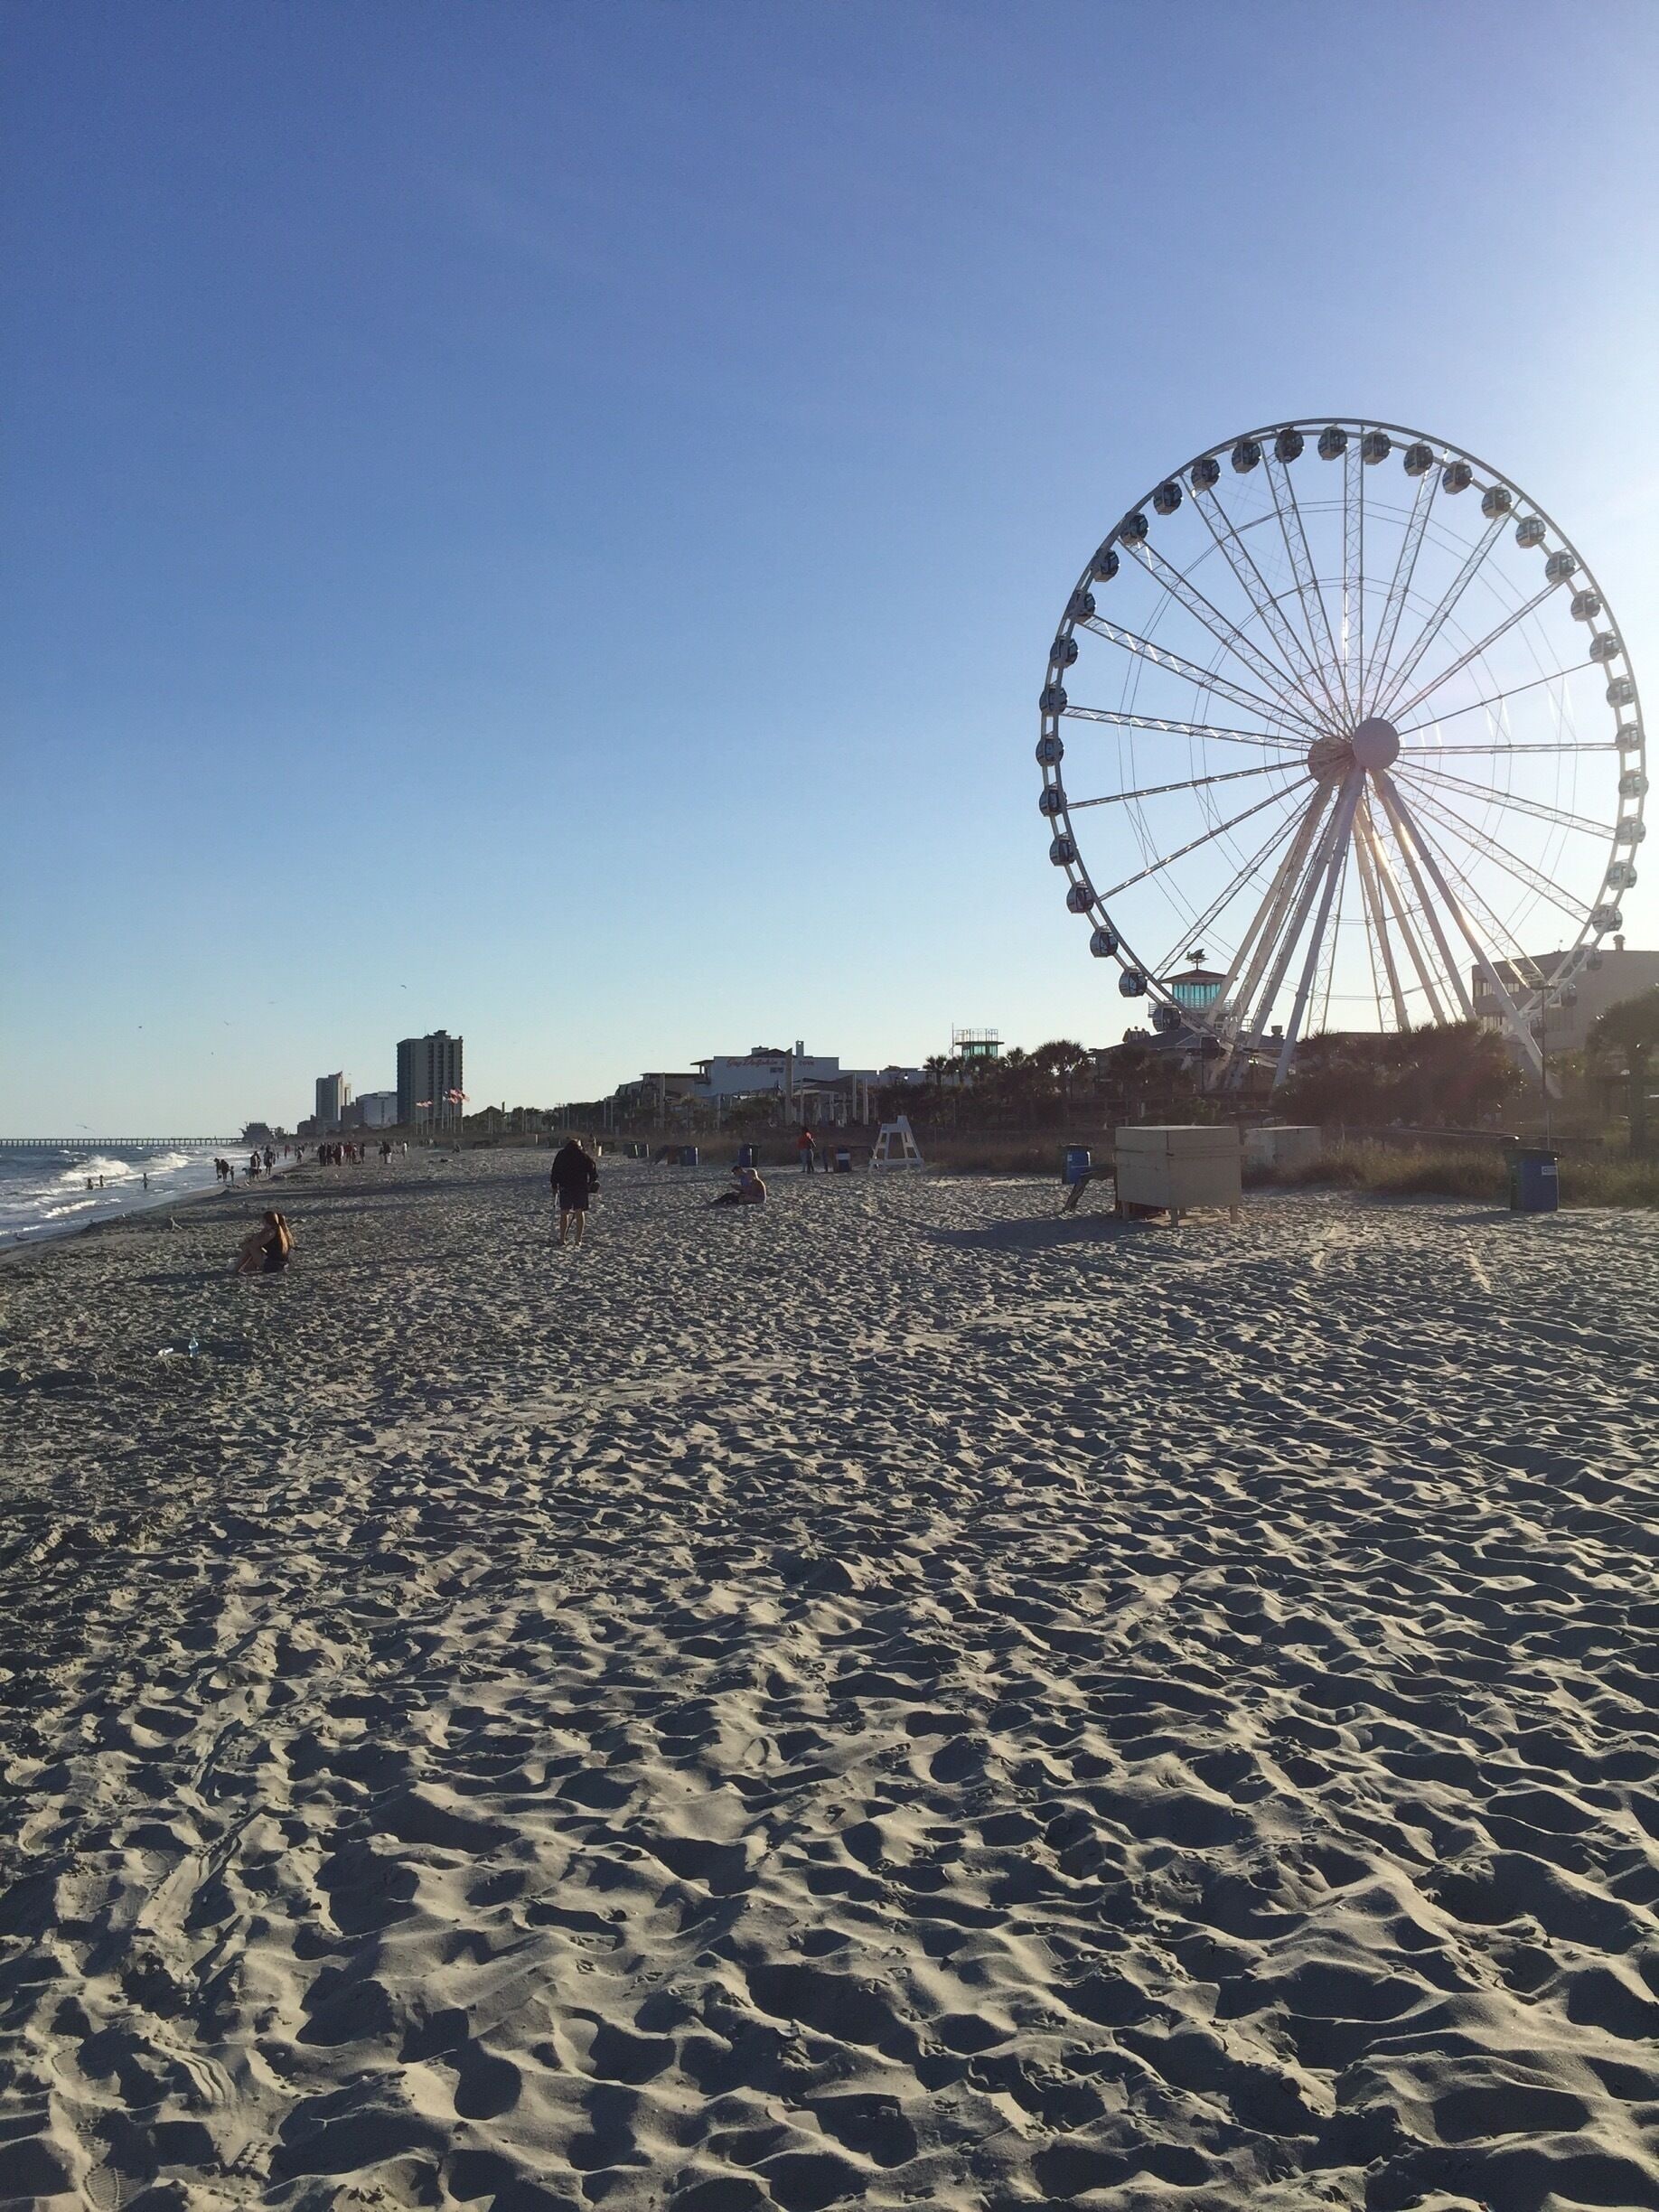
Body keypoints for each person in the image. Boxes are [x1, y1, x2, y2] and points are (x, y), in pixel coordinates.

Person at [549, 1135, 600, 1246]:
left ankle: (562, 1239)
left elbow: (555, 1171)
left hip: (565, 1187)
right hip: (580, 1188)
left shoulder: (561, 1155)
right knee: (579, 1212)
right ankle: (578, 1239)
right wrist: (590, 1183)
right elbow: (593, 1170)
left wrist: (554, 1185)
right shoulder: (583, 1155)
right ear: (578, 1145)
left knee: (564, 1213)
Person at [235, 1210, 293, 1275]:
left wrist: (250, 1239)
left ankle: (236, 1269)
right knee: (252, 1247)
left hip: (274, 1265)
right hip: (279, 1263)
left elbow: (256, 1244)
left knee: (250, 1246)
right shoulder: (279, 1231)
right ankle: (246, 1267)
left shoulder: (271, 1232)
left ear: (266, 1221)